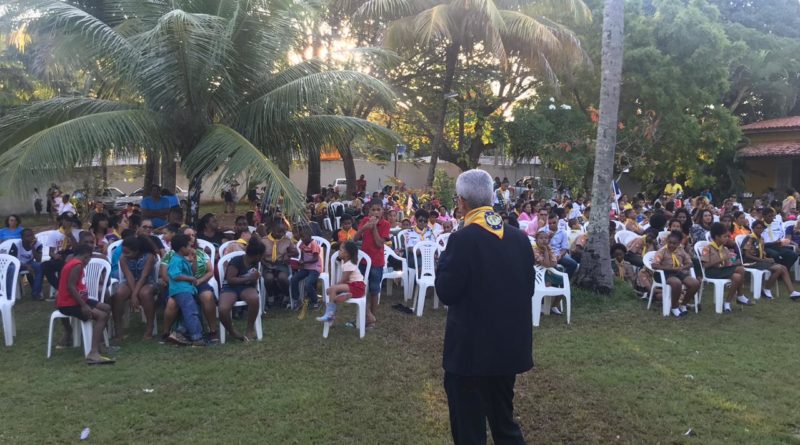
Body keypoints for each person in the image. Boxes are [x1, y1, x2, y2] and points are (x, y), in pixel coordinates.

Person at [435, 169, 534, 445]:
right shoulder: (519, 238)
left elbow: (446, 292)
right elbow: (528, 289)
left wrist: (443, 261)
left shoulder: (462, 240)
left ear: (462, 202)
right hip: (508, 350)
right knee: (504, 425)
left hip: (470, 354)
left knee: (469, 431)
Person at [55, 244, 115, 364]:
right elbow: (71, 287)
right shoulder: (76, 265)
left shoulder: (75, 262)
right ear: (87, 256)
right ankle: (93, 352)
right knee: (102, 316)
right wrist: (83, 305)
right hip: (69, 304)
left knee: (106, 308)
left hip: (80, 299)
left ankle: (100, 344)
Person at [162, 234, 206, 346]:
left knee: (193, 311)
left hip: (187, 290)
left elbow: (193, 271)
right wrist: (190, 278)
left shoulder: (183, 259)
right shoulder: (176, 260)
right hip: (181, 290)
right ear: (182, 248)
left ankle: (179, 333)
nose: (191, 248)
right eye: (188, 246)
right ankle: (197, 338)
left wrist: (194, 260)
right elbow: (175, 275)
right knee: (190, 312)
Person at [111, 235, 158, 339]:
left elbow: (144, 276)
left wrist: (135, 295)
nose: (125, 254)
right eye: (123, 251)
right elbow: (129, 276)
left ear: (137, 251)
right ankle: (118, 327)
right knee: (119, 294)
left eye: (128, 252)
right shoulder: (123, 258)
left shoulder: (149, 257)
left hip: (147, 281)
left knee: (145, 293)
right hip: (130, 282)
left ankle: (150, 326)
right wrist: (134, 294)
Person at [219, 238, 265, 341]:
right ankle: (232, 332)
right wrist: (249, 278)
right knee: (223, 309)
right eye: (261, 255)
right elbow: (230, 280)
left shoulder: (255, 263)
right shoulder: (237, 261)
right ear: (257, 255)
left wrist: (254, 279)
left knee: (254, 299)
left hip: (246, 287)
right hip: (230, 287)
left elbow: (253, 280)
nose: (262, 257)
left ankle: (250, 329)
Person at [742, 220, 800, 300]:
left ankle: (792, 292)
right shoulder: (750, 238)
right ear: (753, 228)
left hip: (759, 261)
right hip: (750, 262)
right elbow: (747, 255)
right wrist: (762, 260)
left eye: (761, 228)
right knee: (779, 268)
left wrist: (767, 258)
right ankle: (766, 289)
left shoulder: (761, 238)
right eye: (757, 228)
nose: (760, 230)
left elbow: (761, 253)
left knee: (783, 267)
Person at [354, 200, 390, 329]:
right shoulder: (364, 221)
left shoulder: (385, 224)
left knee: (374, 290)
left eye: (378, 210)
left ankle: (372, 319)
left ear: (382, 211)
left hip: (376, 262)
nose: (375, 212)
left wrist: (374, 227)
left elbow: (380, 243)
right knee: (359, 288)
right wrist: (365, 227)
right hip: (363, 261)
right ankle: (367, 315)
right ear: (369, 212)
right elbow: (355, 239)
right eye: (373, 210)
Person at [700, 223, 749, 312]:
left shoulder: (724, 249)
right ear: (717, 237)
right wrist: (721, 259)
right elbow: (705, 265)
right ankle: (740, 296)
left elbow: (726, 265)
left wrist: (732, 262)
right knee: (740, 269)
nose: (727, 239)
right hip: (711, 272)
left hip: (721, 271)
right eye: (725, 236)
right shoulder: (708, 248)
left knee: (737, 276)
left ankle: (727, 303)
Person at [652, 231, 700, 317]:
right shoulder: (662, 251)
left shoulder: (681, 250)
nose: (671, 245)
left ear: (679, 243)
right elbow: (654, 265)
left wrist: (682, 267)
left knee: (695, 284)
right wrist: (671, 269)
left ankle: (683, 304)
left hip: (678, 272)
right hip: (665, 273)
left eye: (674, 243)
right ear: (667, 241)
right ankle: (674, 307)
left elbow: (690, 263)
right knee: (676, 283)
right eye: (669, 242)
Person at [317, 241, 365, 323]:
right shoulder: (345, 262)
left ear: (347, 254)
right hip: (353, 286)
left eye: (340, 250)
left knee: (333, 289)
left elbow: (343, 280)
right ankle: (340, 297)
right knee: (333, 289)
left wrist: (333, 288)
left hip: (357, 287)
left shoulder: (349, 265)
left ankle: (330, 314)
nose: (338, 252)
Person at [261, 220, 297, 306]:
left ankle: (286, 295)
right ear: (272, 230)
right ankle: (271, 296)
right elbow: (259, 256)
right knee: (268, 278)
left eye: (283, 232)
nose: (281, 234)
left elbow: (296, 253)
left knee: (283, 278)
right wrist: (266, 264)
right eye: (279, 232)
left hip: (281, 264)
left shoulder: (286, 240)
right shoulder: (264, 241)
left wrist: (287, 254)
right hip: (268, 264)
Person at [290, 225, 322, 318]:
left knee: (308, 283)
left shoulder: (314, 244)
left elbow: (315, 259)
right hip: (305, 268)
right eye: (301, 236)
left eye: (303, 236)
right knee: (294, 279)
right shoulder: (303, 244)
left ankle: (315, 302)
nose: (302, 238)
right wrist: (300, 261)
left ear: (309, 235)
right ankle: (297, 300)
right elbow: (303, 255)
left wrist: (305, 262)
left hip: (315, 268)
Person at [533, 230, 565, 314]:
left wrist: (548, 252)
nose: (544, 240)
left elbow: (554, 263)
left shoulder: (550, 249)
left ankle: (554, 305)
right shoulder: (535, 251)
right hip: (537, 277)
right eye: (541, 238)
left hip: (548, 273)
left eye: (546, 238)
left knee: (564, 282)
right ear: (536, 240)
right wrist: (546, 252)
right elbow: (547, 264)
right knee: (548, 282)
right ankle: (541, 305)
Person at [13, 229, 44, 300]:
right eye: (28, 236)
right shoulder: (16, 245)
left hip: (30, 262)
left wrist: (32, 246)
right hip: (18, 263)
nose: (31, 237)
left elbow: (38, 260)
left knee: (40, 266)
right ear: (22, 238)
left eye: (32, 235)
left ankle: (36, 293)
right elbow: (13, 261)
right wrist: (25, 266)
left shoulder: (38, 244)